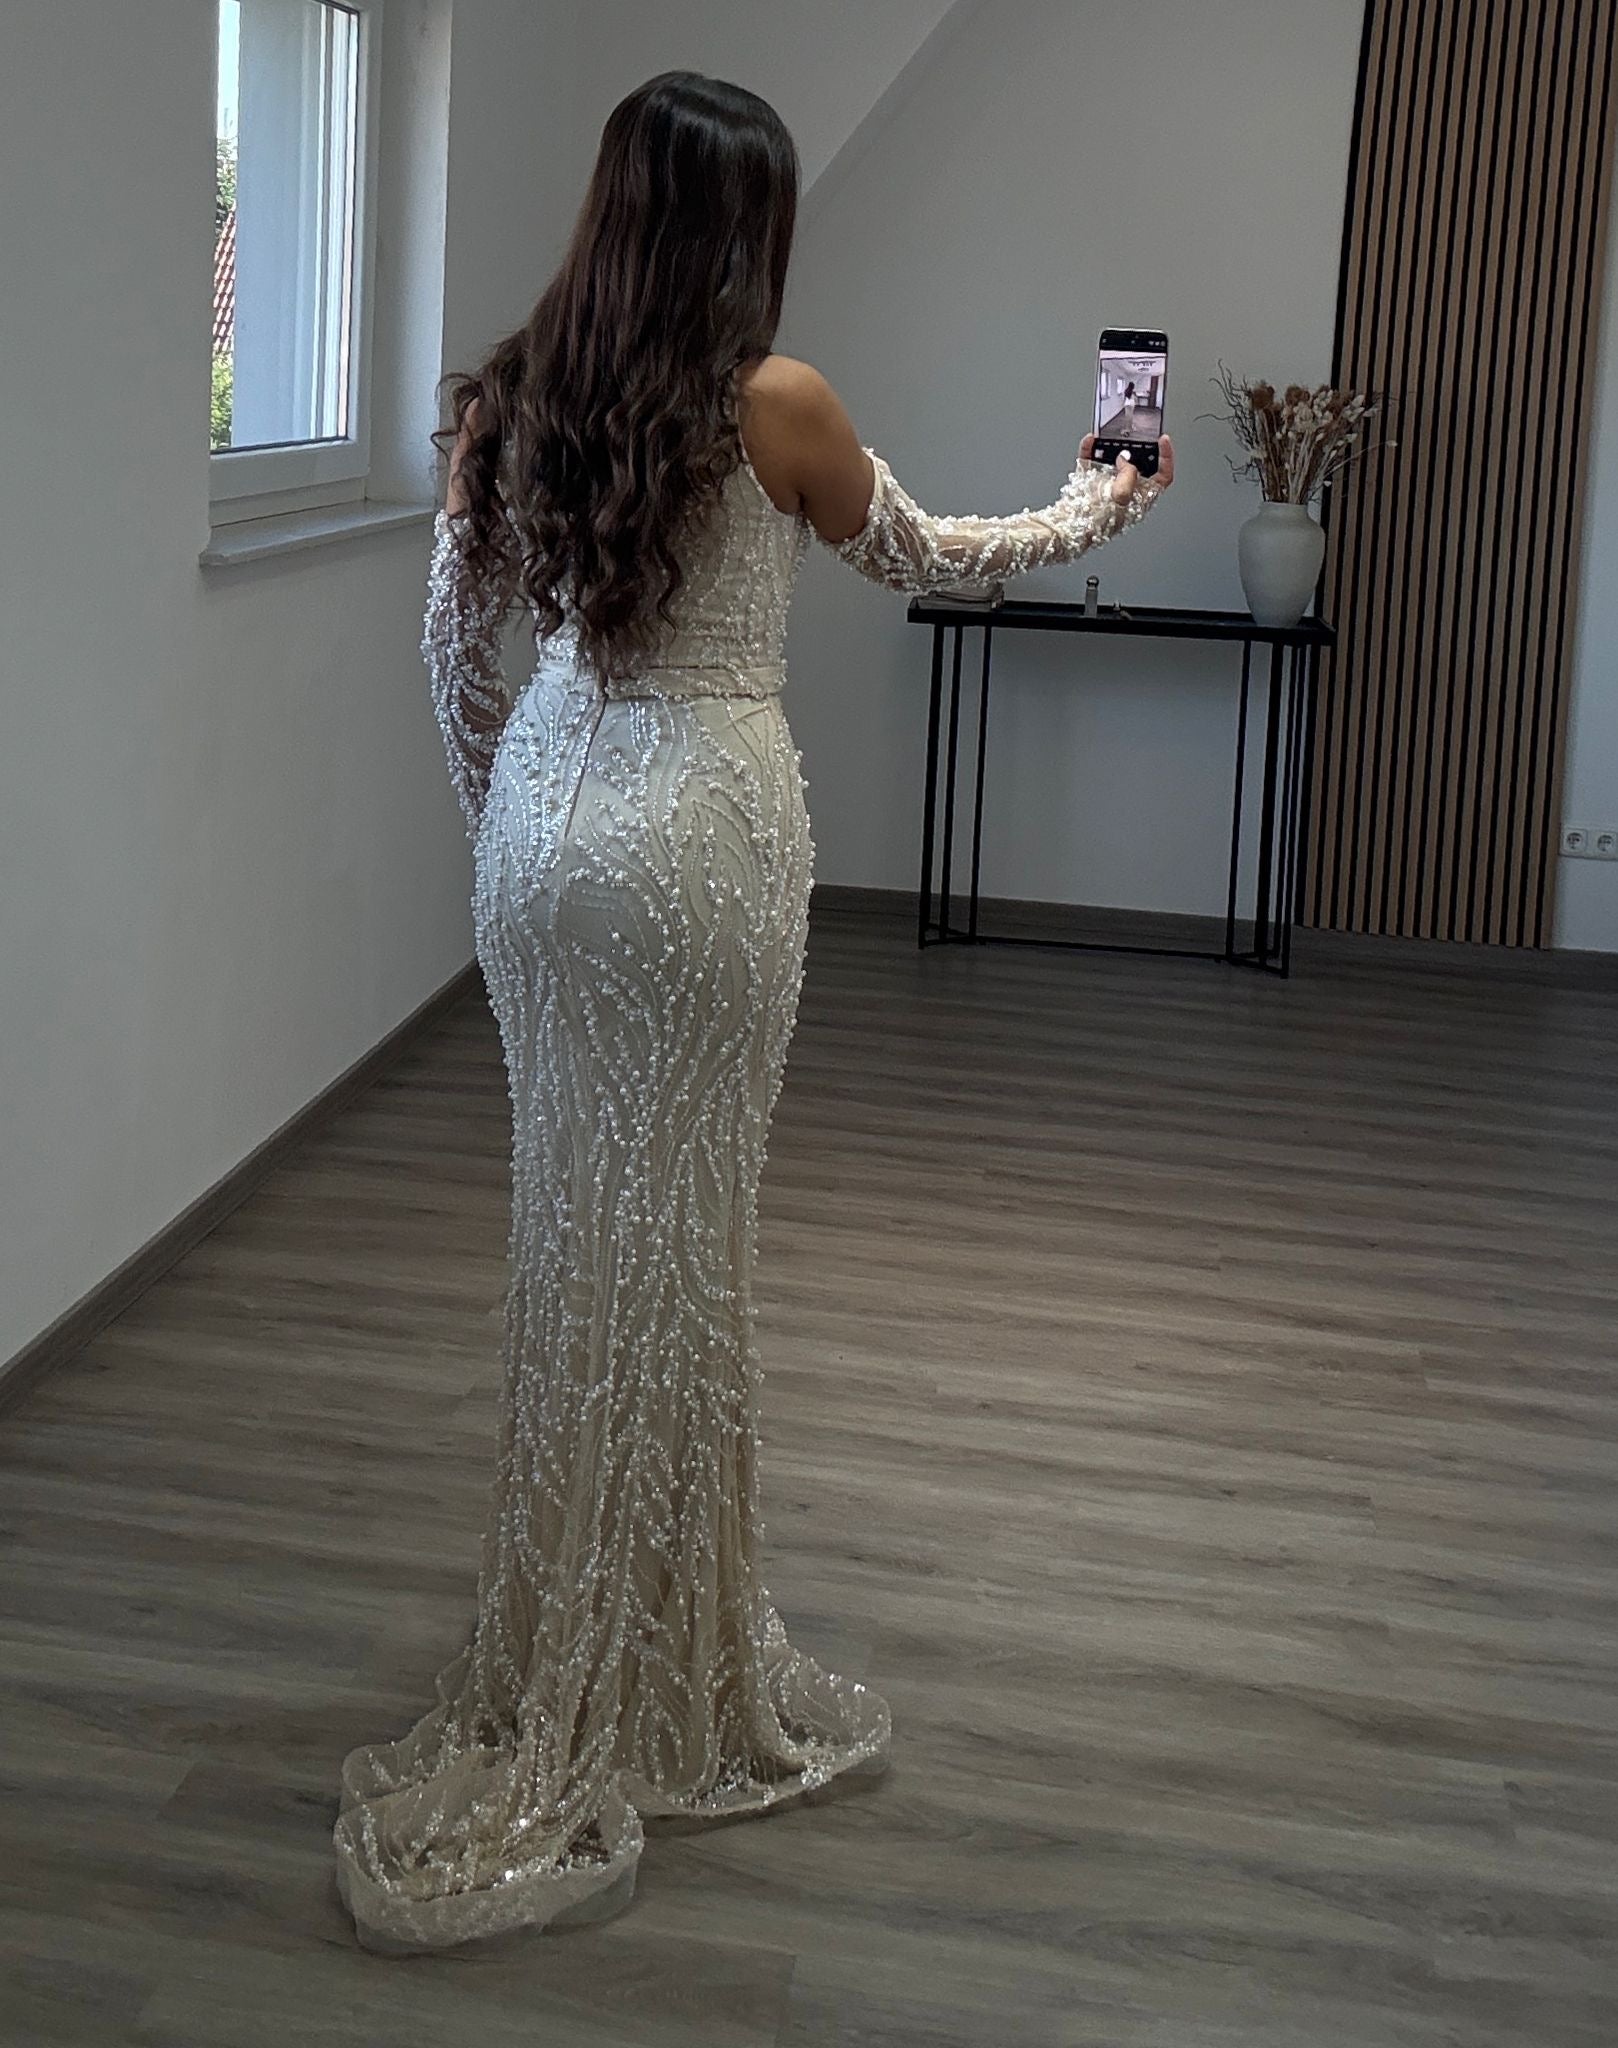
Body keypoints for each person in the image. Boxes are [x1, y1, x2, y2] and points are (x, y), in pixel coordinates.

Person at [332, 69, 1173, 1956]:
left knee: (571, 1239)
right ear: (745, 230)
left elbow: (449, 652)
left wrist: (514, 842)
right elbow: (937, 560)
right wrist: (1099, 499)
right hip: (702, 837)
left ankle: (565, 1629)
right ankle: (661, 1661)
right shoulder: (773, 403)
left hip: (543, 837)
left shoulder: (507, 394)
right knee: (682, 1241)